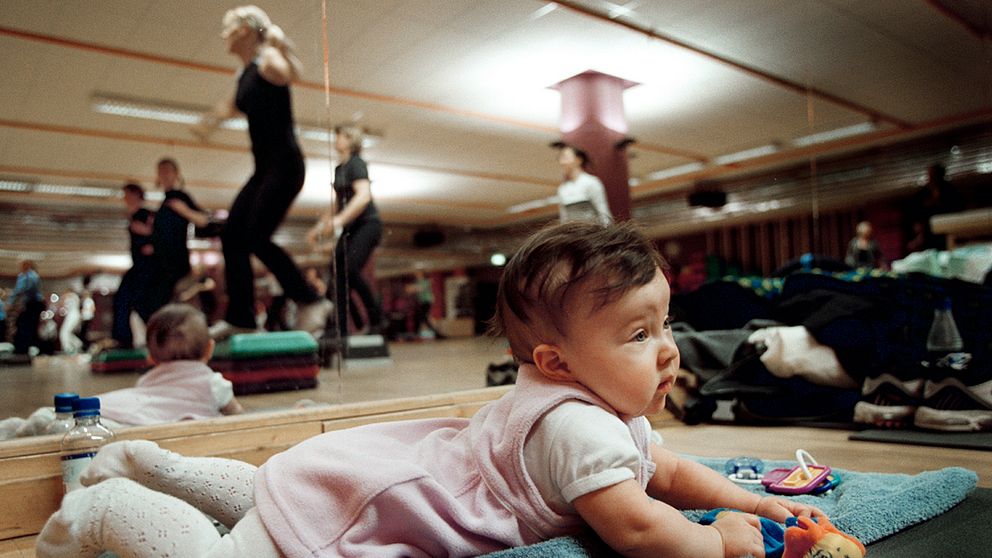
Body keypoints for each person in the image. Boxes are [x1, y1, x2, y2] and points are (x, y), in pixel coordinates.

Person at [36, 222, 824, 558]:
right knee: (250, 544)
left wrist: (756, 503)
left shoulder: (604, 409)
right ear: (555, 362)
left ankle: (143, 458)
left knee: (271, 491)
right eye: (637, 334)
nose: (668, 351)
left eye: (664, 323)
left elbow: (672, 473)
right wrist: (718, 542)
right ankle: (103, 503)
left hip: (367, 473)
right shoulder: (578, 432)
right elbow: (645, 533)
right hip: (376, 505)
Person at [194, 5, 331, 340]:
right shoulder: (243, 75)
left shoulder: (268, 61)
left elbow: (291, 73)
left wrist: (280, 43)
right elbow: (229, 105)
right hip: (264, 169)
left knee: (255, 236)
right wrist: (208, 123)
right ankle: (241, 317)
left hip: (285, 165)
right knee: (232, 234)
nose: (223, 35)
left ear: (244, 30)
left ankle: (311, 301)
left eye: (228, 28)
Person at [2, 304, 242, 440]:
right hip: (138, 424)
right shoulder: (214, 383)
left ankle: (27, 425)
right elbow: (239, 419)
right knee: (109, 432)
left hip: (120, 407)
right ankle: (48, 425)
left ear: (150, 355)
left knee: (80, 419)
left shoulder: (149, 377)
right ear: (209, 349)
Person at [307, 124, 385, 337]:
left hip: (368, 225)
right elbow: (337, 203)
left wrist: (340, 220)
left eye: (340, 136)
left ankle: (378, 319)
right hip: (351, 227)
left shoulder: (357, 164)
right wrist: (319, 228)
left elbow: (363, 196)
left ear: (351, 140)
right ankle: (341, 329)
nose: (336, 140)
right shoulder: (339, 169)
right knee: (336, 277)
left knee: (349, 271)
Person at [136, 159, 210, 325]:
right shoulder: (163, 204)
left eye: (168, 171)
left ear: (176, 174)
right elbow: (165, 234)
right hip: (162, 262)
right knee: (150, 302)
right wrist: (150, 238)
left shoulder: (180, 197)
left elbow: (203, 221)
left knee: (157, 304)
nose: (164, 175)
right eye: (161, 171)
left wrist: (185, 211)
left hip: (175, 263)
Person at [108, 183, 155, 349]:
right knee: (131, 301)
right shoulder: (134, 215)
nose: (125, 198)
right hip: (139, 266)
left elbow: (158, 235)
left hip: (145, 267)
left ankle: (126, 338)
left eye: (128, 195)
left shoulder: (144, 214)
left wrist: (150, 239)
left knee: (133, 301)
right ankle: (124, 338)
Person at [904, 163, 966, 253]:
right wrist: (918, 233)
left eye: (933, 175)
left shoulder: (951, 192)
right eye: (929, 175)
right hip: (929, 236)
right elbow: (916, 217)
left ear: (941, 175)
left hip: (948, 233)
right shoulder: (922, 195)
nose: (931, 178)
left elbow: (958, 212)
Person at [555, 143, 612, 225]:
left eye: (565, 158)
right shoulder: (562, 189)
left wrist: (608, 235)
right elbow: (564, 219)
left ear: (578, 160)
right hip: (573, 235)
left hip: (593, 234)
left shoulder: (591, 182)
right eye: (560, 158)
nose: (561, 162)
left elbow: (603, 213)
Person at [10, 260, 44, 355]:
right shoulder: (27, 276)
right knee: (26, 325)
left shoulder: (30, 276)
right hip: (32, 304)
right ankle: (25, 347)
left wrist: (10, 302)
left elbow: (20, 289)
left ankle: (24, 349)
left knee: (26, 326)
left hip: (34, 304)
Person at [58, 289, 82, 355]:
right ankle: (78, 344)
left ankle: (68, 349)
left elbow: (63, 300)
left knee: (63, 333)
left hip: (73, 315)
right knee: (67, 333)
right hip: (71, 315)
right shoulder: (72, 297)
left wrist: (63, 297)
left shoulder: (73, 296)